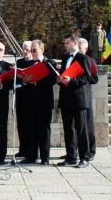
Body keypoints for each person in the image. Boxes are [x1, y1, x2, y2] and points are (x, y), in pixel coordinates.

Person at [57, 34, 92, 168]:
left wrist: (71, 81)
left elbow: (87, 79)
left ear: (74, 43)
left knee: (81, 129)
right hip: (66, 99)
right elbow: (64, 75)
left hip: (79, 99)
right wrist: (60, 80)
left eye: (67, 43)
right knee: (68, 129)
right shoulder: (65, 57)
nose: (65, 45)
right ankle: (71, 156)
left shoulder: (83, 58)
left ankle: (85, 157)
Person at [20, 40, 57, 165]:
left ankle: (45, 157)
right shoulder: (29, 63)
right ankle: (31, 156)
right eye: (31, 50)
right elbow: (23, 83)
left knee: (44, 130)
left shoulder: (50, 63)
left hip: (44, 102)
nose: (32, 53)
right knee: (30, 129)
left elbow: (52, 80)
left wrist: (36, 81)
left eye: (34, 50)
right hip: (30, 102)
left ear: (42, 50)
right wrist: (25, 81)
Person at [79, 37, 98, 161]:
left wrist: (84, 76)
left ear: (85, 49)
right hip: (77, 96)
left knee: (89, 124)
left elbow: (95, 79)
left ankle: (91, 151)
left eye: (80, 48)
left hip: (86, 95)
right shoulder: (73, 60)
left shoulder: (90, 60)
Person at [14, 41, 32, 159]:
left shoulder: (35, 62)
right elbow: (15, 79)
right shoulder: (19, 62)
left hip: (31, 97)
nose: (24, 51)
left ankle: (30, 149)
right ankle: (22, 149)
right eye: (23, 49)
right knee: (20, 124)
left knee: (30, 124)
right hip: (20, 95)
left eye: (27, 49)